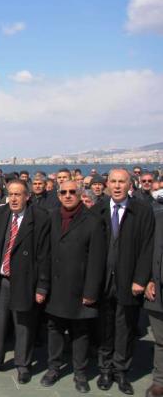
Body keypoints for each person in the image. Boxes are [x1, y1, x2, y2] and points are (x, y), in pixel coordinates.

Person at [0, 179, 51, 384]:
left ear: (27, 196)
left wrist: (42, 286)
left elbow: (44, 255)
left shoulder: (40, 218)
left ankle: (23, 365)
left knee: (23, 325)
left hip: (25, 281)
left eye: (18, 194)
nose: (14, 199)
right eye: (11, 194)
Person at [39, 180, 106, 393]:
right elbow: (44, 253)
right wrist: (42, 285)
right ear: (58, 195)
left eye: (72, 192)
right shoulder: (51, 217)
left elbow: (97, 260)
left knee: (80, 332)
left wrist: (90, 291)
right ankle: (54, 367)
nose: (68, 195)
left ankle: (80, 373)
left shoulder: (93, 221)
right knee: (55, 329)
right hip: (56, 287)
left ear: (79, 194)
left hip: (80, 288)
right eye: (64, 192)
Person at [92, 168, 154, 394]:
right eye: (113, 182)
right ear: (107, 184)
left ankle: (121, 371)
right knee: (104, 328)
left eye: (122, 182)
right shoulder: (97, 210)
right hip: (103, 281)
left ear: (130, 184)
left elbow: (148, 247)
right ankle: (105, 369)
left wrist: (141, 278)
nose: (117, 186)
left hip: (129, 281)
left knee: (125, 328)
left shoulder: (142, 210)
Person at [144, 211, 163, 397]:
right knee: (161, 340)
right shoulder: (157, 218)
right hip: (157, 289)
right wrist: (148, 279)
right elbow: (148, 250)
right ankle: (160, 381)